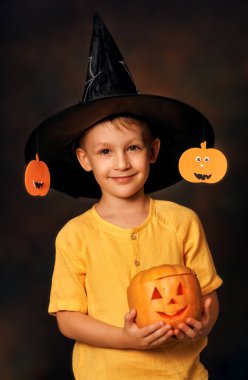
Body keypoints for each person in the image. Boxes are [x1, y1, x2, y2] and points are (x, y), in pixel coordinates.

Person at [25, 14, 222, 380]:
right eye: (104, 152)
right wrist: (127, 338)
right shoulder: (75, 235)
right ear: (84, 159)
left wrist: (203, 325)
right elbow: (68, 319)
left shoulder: (182, 222)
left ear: (153, 150)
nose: (121, 163)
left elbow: (207, 298)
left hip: (184, 374)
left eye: (132, 147)